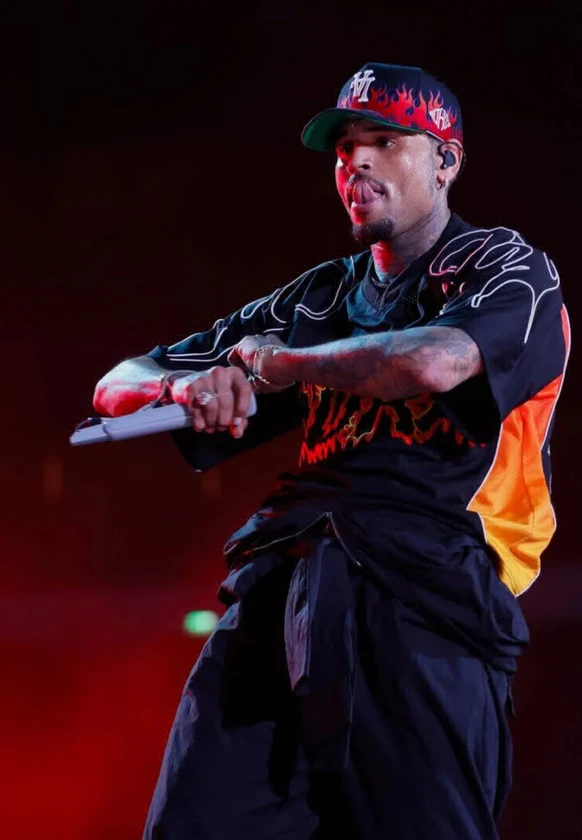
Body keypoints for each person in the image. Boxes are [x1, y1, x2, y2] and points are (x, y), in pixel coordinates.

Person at [94, 62, 570, 839]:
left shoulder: (505, 267)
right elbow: (116, 386)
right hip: (283, 580)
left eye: (385, 140)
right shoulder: (318, 297)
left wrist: (281, 365)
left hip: (425, 591)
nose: (357, 162)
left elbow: (436, 361)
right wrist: (191, 387)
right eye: (346, 147)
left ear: (447, 160)